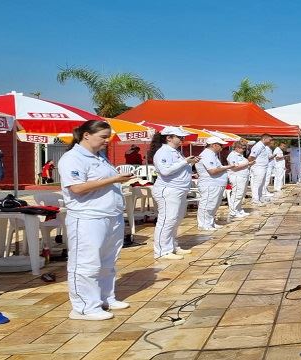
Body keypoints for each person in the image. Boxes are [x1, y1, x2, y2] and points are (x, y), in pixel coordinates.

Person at [58, 120, 135, 321]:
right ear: (86, 135)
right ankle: (84, 306)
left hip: (110, 215)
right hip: (88, 217)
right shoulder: (72, 158)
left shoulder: (100, 157)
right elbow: (77, 188)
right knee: (86, 262)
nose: (106, 141)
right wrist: (114, 180)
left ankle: (105, 297)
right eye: (103, 137)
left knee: (108, 261)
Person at [149, 127, 199, 260]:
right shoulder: (163, 152)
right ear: (169, 138)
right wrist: (185, 161)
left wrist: (189, 163)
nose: (182, 139)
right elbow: (165, 171)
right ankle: (162, 251)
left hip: (179, 189)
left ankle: (171, 245)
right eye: (179, 137)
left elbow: (178, 168)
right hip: (168, 189)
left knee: (176, 219)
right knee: (167, 219)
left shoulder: (175, 152)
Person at [195, 137, 236, 230]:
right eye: (221, 145)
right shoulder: (207, 155)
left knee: (214, 204)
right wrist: (228, 167)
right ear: (214, 145)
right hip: (210, 184)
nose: (222, 147)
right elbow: (212, 171)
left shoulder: (213, 155)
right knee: (208, 204)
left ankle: (210, 222)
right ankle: (204, 224)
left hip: (216, 184)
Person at [226, 141, 255, 219]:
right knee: (237, 195)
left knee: (241, 194)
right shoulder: (232, 156)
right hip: (237, 177)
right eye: (242, 148)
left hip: (243, 176)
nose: (244, 150)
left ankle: (238, 209)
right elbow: (234, 167)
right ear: (236, 148)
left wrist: (249, 164)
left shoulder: (241, 155)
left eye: (244, 148)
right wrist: (247, 164)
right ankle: (233, 211)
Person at [247, 134, 273, 204]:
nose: (270, 142)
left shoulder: (263, 146)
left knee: (261, 184)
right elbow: (251, 157)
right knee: (257, 184)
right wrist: (252, 164)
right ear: (264, 139)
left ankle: (260, 197)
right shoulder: (258, 146)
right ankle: (255, 199)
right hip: (258, 167)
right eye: (270, 140)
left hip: (263, 167)